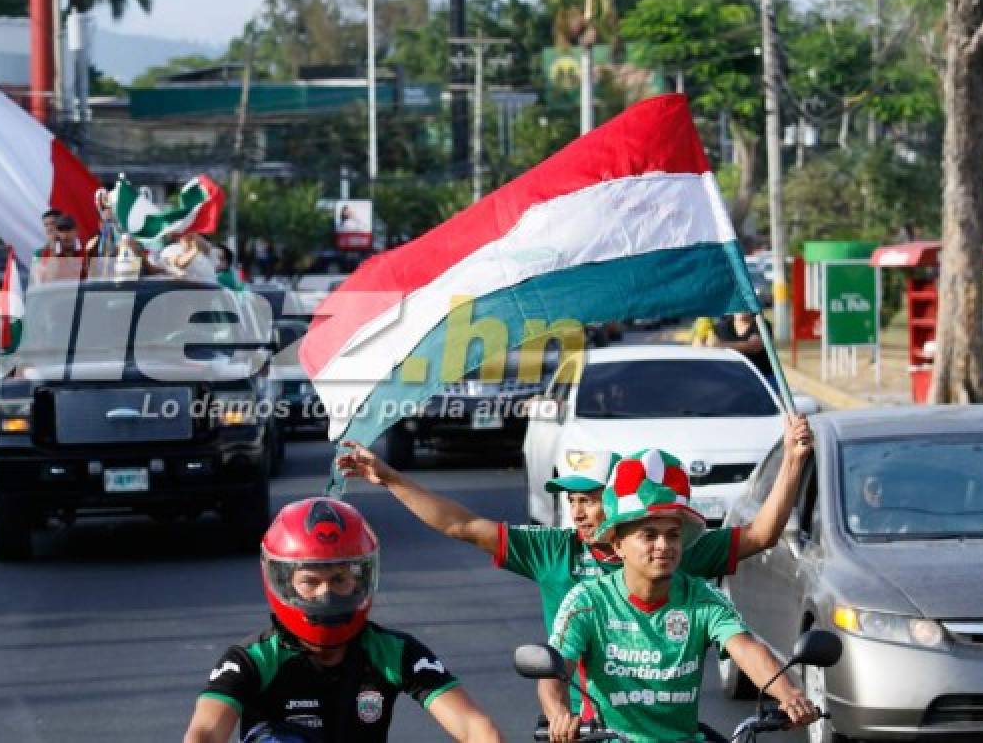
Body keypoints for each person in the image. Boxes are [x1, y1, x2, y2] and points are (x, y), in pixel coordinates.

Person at [336, 415, 813, 719]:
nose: (579, 513)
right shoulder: (559, 556)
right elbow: (464, 525)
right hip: (584, 727)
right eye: (572, 501)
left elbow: (760, 538)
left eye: (591, 500)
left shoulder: (677, 559)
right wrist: (393, 480)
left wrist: (793, 459)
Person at [542, 450, 818, 742]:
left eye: (672, 535)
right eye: (648, 535)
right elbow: (554, 673)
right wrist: (559, 714)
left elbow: (746, 648)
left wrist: (788, 694)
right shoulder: (586, 602)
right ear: (618, 544)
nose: (664, 545)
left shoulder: (701, 598)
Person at [183, 497, 504, 743]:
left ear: (362, 579)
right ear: (282, 582)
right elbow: (204, 734)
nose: (327, 594)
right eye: (311, 582)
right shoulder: (252, 659)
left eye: (339, 579)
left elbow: (475, 727)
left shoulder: (392, 651)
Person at [712, 312, 774, 382]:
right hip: (730, 378)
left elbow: (754, 347)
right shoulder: (721, 326)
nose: (741, 310)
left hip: (761, 378)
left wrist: (720, 345)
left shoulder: (762, 324)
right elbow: (709, 346)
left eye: (743, 305)